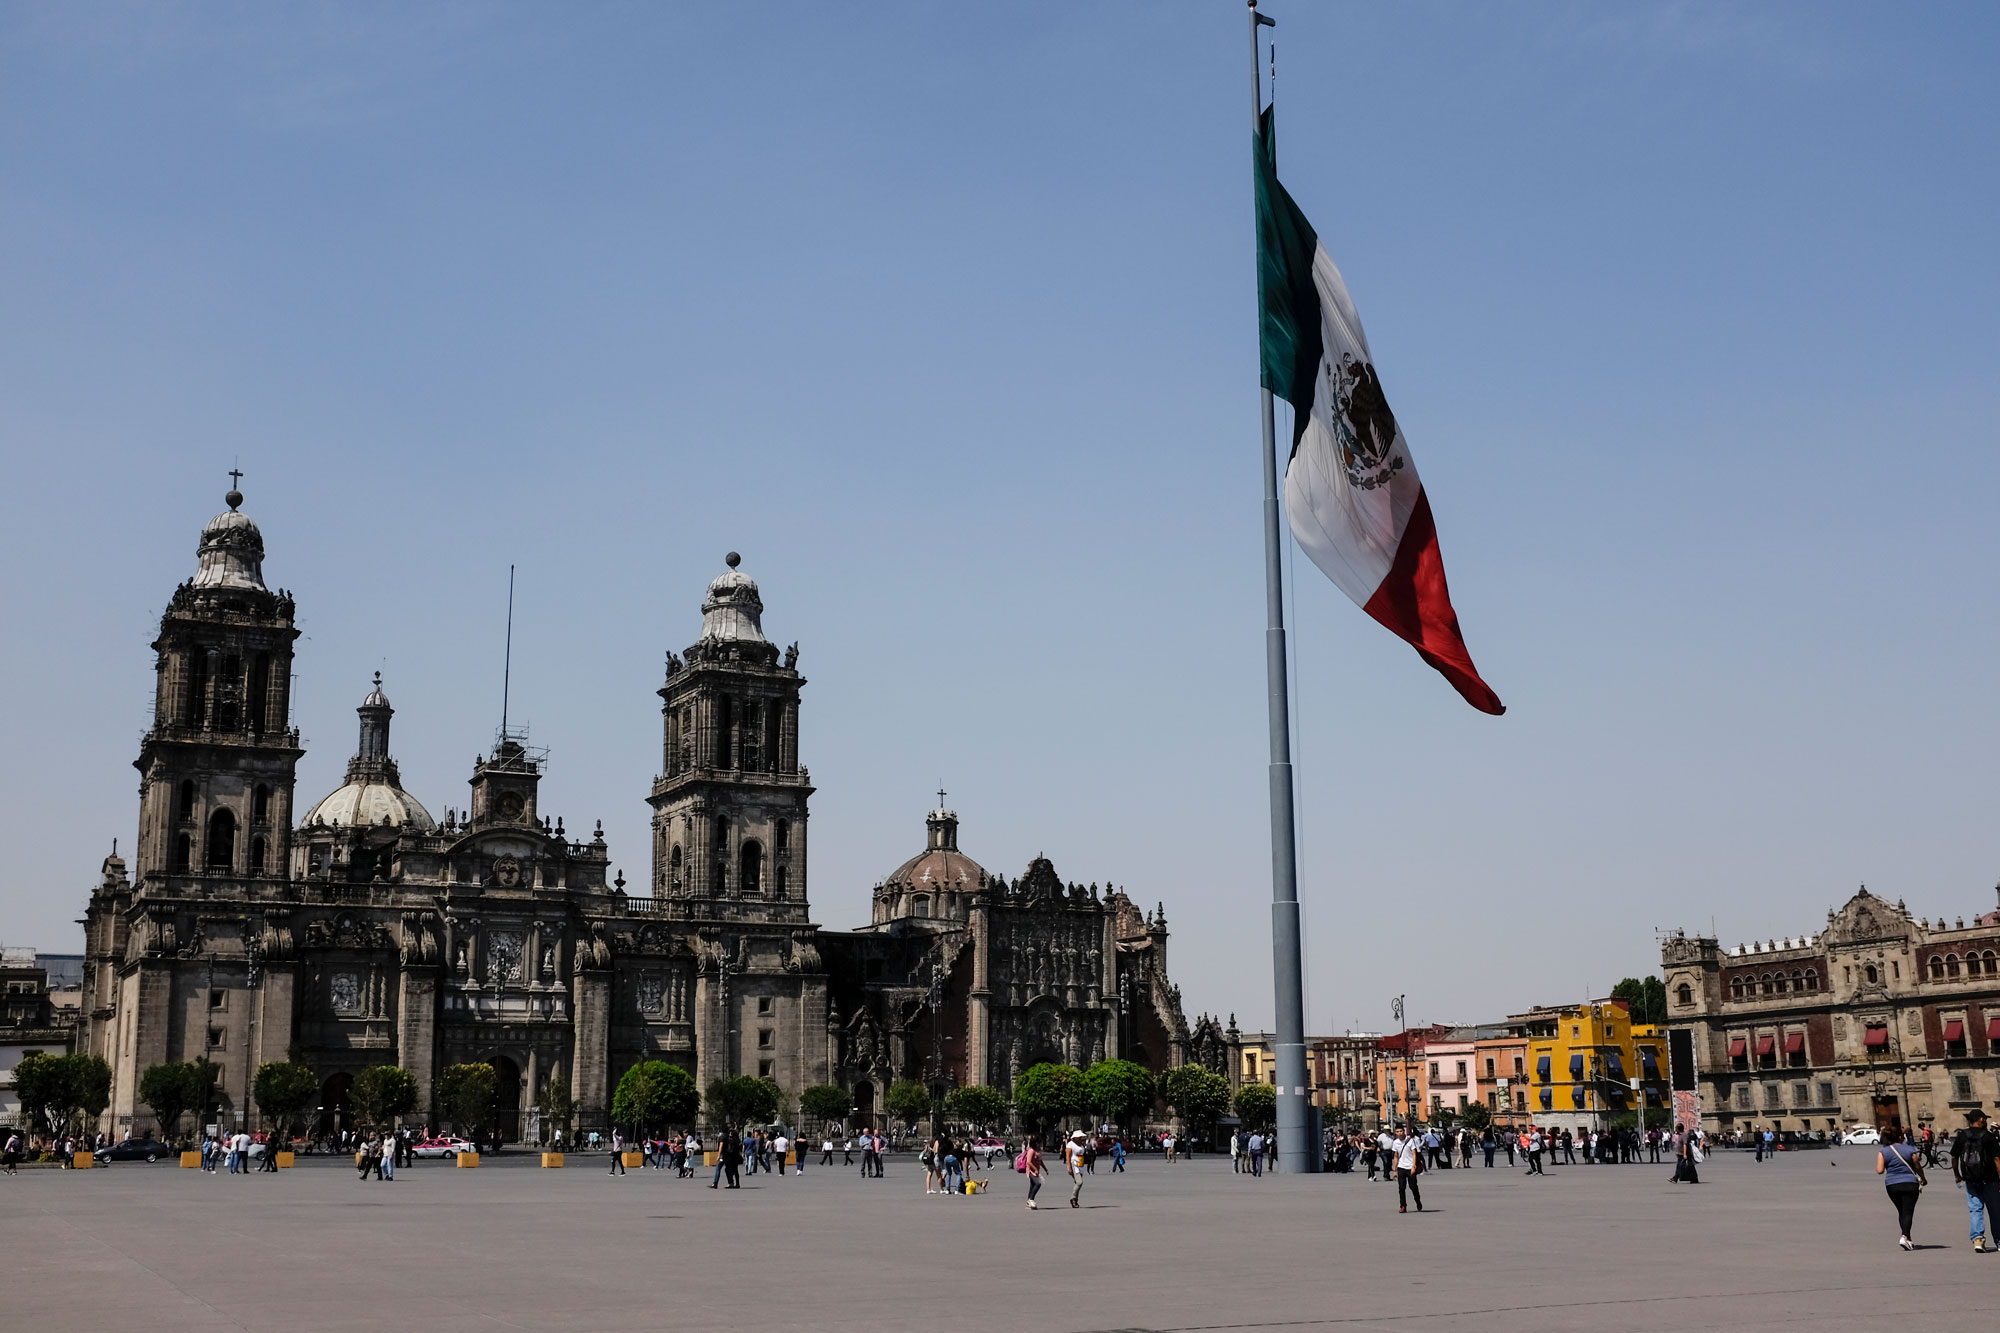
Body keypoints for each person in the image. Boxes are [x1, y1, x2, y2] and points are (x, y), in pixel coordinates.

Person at [1949, 1108, 2000, 1252]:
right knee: (1995, 1210)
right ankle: (1999, 1241)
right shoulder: (1988, 1136)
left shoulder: (1962, 1136)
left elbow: (1954, 1157)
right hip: (1990, 1179)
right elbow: (1997, 1159)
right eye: (1985, 1119)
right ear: (1981, 1120)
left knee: (1975, 1209)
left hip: (1970, 1178)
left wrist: (1957, 1174)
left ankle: (1978, 1239)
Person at [1878, 1126, 1926, 1250]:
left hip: (1892, 1185)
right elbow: (1917, 1166)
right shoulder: (1909, 1149)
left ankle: (1908, 1239)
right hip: (1910, 1183)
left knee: (1902, 1211)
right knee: (1908, 1211)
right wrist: (1923, 1178)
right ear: (1900, 1136)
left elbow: (1879, 1170)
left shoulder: (1883, 1151)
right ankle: (1904, 1236)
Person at [1393, 1125, 1424, 1213]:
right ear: (1395, 1133)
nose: (1399, 1133)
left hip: (1410, 1167)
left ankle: (1417, 1201)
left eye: (1401, 1131)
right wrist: (1394, 1170)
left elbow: (1414, 1154)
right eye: (1397, 1131)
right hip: (1401, 1167)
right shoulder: (1395, 1142)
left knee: (1413, 1187)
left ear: (1404, 1131)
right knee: (1401, 1188)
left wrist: (1413, 1166)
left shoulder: (1410, 1141)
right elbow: (1396, 1156)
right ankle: (1403, 1206)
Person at [1065, 1129, 1088, 1209]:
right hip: (1074, 1164)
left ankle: (1075, 1201)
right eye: (1079, 1137)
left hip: (1080, 1164)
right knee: (1079, 1182)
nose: (1080, 1138)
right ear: (1075, 1137)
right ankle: (1073, 1198)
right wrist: (1069, 1167)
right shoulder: (1070, 1144)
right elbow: (1067, 1156)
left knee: (1076, 1182)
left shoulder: (1081, 1144)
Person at [1023, 1136, 1046, 1209]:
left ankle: (1028, 1202)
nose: (1042, 1144)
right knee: (1038, 1183)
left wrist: (1045, 1169)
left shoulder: (1038, 1150)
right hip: (1031, 1171)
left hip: (1036, 1170)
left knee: (1032, 1185)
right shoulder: (1031, 1150)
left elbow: (1040, 1160)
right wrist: (1035, 1169)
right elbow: (1029, 1162)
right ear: (1036, 1143)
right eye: (1040, 1142)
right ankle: (1031, 1199)